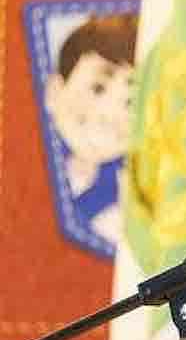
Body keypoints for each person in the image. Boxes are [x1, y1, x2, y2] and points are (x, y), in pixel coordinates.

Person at [44, 13, 137, 244]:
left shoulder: (126, 202)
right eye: (98, 88)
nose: (111, 113)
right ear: (55, 90)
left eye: (131, 102)